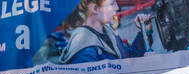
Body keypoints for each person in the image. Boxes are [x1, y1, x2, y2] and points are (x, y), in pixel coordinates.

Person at [34, 0, 164, 65]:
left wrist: (144, 32)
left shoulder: (106, 32)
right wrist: (144, 66)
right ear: (95, 9)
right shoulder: (84, 51)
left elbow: (129, 57)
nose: (117, 7)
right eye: (112, 3)